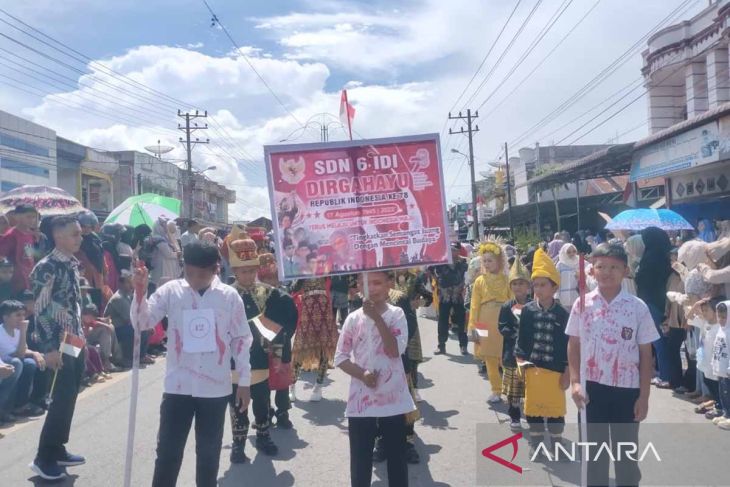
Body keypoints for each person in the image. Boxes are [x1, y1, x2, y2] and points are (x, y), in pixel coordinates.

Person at [130, 241, 253, 487]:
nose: (195, 280)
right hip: (178, 387)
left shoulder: (229, 297)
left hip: (215, 389)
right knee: (167, 453)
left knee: (208, 455)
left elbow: (241, 339)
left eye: (202, 274)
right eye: (190, 273)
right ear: (183, 266)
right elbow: (142, 322)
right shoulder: (170, 292)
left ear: (216, 269)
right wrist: (140, 293)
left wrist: (244, 382)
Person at [567, 243, 660, 486]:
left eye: (614, 267)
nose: (607, 272)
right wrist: (576, 382)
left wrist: (644, 396)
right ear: (591, 271)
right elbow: (574, 344)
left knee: (625, 457)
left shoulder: (637, 308)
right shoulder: (583, 304)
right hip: (591, 390)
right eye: (601, 266)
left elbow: (646, 354)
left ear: (625, 271)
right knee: (593, 456)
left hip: (626, 392)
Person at [335, 271, 416, 487]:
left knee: (396, 458)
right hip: (362, 401)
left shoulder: (396, 314)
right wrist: (361, 374)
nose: (373, 288)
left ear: (389, 285)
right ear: (359, 287)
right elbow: (340, 357)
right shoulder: (352, 319)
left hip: (393, 400)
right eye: (367, 284)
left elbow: (395, 350)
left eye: (378, 282)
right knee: (360, 460)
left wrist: (377, 318)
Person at [228, 235, 297, 461]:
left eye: (251, 270)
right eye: (243, 271)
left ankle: (264, 436)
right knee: (238, 404)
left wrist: (277, 350)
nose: (247, 275)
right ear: (234, 271)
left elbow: (287, 313)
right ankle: (238, 443)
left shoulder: (267, 292)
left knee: (261, 399)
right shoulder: (225, 295)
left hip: (259, 358)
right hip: (233, 360)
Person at [29, 216, 86, 481]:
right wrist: (49, 348)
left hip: (74, 338)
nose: (80, 237)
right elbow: (40, 310)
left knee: (70, 392)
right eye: (75, 234)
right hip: (57, 342)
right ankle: (44, 457)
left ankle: (58, 447)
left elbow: (72, 303)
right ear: (57, 235)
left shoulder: (71, 265)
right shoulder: (46, 267)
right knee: (60, 396)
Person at [514, 247, 570, 457]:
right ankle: (536, 444)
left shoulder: (563, 313)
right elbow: (523, 339)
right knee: (533, 409)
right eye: (535, 284)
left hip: (555, 371)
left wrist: (567, 372)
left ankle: (557, 444)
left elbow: (567, 345)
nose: (538, 289)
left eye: (543, 284)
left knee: (555, 411)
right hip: (533, 368)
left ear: (554, 287)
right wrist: (520, 362)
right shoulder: (528, 310)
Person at [468, 241, 511, 403]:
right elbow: (474, 305)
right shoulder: (479, 281)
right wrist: (473, 328)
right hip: (483, 321)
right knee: (489, 358)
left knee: (506, 358)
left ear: (499, 261)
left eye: (490, 260)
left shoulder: (507, 279)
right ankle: (496, 390)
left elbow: (513, 301)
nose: (487, 263)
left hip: (503, 320)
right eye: (484, 260)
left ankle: (510, 388)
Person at [636, 227, 673, 389]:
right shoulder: (664, 254)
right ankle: (665, 372)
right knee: (663, 338)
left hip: (651, 301)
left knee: (658, 340)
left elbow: (643, 279)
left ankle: (664, 375)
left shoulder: (650, 257)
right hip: (663, 301)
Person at [290, 276, 338, 402]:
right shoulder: (301, 274)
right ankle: (292, 385)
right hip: (307, 315)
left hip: (325, 314)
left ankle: (318, 387)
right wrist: (300, 277)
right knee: (299, 351)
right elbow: (293, 289)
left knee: (324, 352)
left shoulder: (325, 271)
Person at [498, 257, 532, 430]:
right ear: (510, 286)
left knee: (531, 388)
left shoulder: (535, 306)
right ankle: (515, 417)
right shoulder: (506, 306)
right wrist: (515, 335)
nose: (518, 287)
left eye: (521, 283)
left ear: (528, 286)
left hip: (532, 354)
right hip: (512, 353)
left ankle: (534, 416)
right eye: (514, 284)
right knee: (514, 390)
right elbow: (501, 327)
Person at [0, 299, 45, 420]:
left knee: (30, 363)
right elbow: (19, 354)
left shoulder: (16, 330)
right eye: (17, 315)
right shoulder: (1, 332)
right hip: (4, 367)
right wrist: (24, 331)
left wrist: (35, 353)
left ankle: (21, 405)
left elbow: (24, 350)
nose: (22, 318)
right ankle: (3, 409)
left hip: (14, 364)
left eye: (23, 315)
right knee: (17, 364)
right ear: (5, 317)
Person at [104, 271, 152, 368]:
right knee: (136, 330)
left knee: (145, 328)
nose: (131, 285)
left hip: (124, 326)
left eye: (131, 282)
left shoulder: (127, 296)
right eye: (128, 283)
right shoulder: (118, 298)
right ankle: (127, 358)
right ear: (121, 284)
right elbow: (130, 318)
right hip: (115, 329)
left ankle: (141, 356)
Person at [431, 243, 469, 355]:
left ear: (458, 251)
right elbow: (430, 270)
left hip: (458, 296)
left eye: (455, 250)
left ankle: (463, 346)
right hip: (445, 296)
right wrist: (438, 282)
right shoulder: (441, 261)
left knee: (461, 322)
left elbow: (467, 274)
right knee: (442, 321)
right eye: (450, 249)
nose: (452, 252)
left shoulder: (464, 262)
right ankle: (441, 346)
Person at [0, 204, 39, 293]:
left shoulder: (31, 235)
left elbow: (31, 257)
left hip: (29, 280)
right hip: (15, 283)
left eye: (33, 217)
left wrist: (37, 241)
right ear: (17, 217)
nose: (32, 220)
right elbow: (1, 256)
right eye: (28, 217)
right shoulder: (11, 236)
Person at [80, 303, 118, 374]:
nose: (92, 319)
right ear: (86, 314)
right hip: (81, 342)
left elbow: (95, 323)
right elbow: (84, 333)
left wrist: (106, 325)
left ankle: (107, 360)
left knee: (105, 329)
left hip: (88, 339)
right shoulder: (79, 320)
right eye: (91, 317)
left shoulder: (89, 320)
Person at [711, 300, 730, 429]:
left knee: (728, 392)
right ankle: (726, 413)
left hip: (728, 370)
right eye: (719, 317)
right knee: (723, 393)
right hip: (720, 368)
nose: (721, 320)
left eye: (724, 317)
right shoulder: (720, 330)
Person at [148, 218, 182, 287]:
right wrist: (177, 254)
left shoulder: (164, 238)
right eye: (163, 226)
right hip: (162, 266)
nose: (165, 228)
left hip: (167, 265)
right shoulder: (157, 238)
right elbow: (168, 254)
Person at [556, 243, 583, 311]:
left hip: (577, 297)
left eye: (574, 251)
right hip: (563, 298)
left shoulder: (580, 262)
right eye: (569, 252)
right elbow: (556, 281)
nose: (572, 254)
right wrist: (556, 296)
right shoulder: (560, 265)